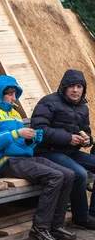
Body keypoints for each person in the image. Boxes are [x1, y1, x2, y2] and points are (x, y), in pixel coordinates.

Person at [0, 75, 76, 240]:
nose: (13, 97)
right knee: (55, 176)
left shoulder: (14, 114)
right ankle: (40, 228)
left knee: (69, 174)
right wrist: (17, 134)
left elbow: (20, 142)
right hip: (7, 162)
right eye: (9, 93)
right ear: (0, 93)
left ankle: (56, 225)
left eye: (15, 93)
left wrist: (32, 140)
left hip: (24, 158)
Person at [31, 69, 95, 229]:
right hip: (47, 151)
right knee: (79, 173)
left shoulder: (82, 107)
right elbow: (39, 129)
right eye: (71, 86)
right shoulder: (48, 102)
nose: (75, 90)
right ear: (64, 87)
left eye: (79, 86)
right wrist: (68, 138)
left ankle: (93, 213)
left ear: (83, 89)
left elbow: (86, 131)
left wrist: (87, 140)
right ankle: (81, 219)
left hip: (70, 152)